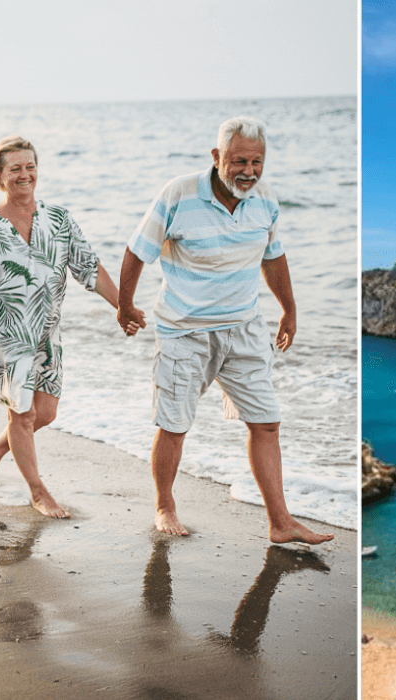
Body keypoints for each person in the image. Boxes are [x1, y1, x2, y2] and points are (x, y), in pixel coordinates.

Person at [116, 117, 333, 545]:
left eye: (257, 162)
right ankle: (164, 505)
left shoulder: (265, 201)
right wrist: (125, 304)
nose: (248, 172)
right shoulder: (178, 195)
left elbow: (273, 258)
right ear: (217, 158)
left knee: (267, 422)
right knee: (175, 425)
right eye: (238, 161)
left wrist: (289, 309)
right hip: (185, 331)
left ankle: (280, 522)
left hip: (244, 329)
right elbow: (136, 250)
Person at [0, 136, 135, 518]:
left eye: (30, 166)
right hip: (6, 333)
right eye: (15, 168)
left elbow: (88, 268)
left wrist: (122, 307)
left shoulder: (59, 220)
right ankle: (38, 492)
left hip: (47, 332)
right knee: (21, 415)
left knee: (46, 413)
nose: (25, 175)